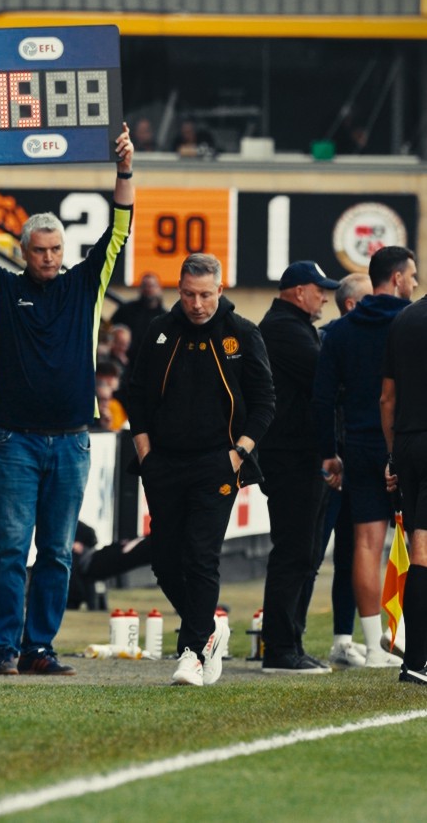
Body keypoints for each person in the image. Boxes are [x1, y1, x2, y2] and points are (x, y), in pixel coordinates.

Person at [0, 124, 134, 676]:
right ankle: (4, 648)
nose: (50, 257)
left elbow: (120, 228)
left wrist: (125, 169)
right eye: (40, 250)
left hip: (74, 441)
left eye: (57, 249)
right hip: (13, 440)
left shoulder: (88, 283)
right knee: (10, 550)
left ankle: (40, 649)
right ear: (24, 252)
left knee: (57, 552)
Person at [127, 253, 275, 686]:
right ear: (179, 289)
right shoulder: (159, 330)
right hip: (163, 463)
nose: (197, 304)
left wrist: (239, 453)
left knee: (201, 554)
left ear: (220, 291)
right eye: (189, 295)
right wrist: (146, 452)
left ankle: (191, 651)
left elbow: (265, 402)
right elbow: (136, 396)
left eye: (206, 295)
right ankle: (209, 626)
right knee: (165, 560)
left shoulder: (242, 333)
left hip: (218, 463)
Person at [313, 247, 417, 670]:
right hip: (408, 441)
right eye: (411, 276)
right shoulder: (413, 323)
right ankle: (413, 640)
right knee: (421, 540)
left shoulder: (339, 331)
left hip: (358, 444)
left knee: (366, 543)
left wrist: (329, 454)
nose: (414, 283)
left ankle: (374, 646)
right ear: (395, 278)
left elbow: (321, 400)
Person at [258, 260, 340, 674]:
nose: (324, 296)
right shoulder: (283, 330)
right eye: (318, 289)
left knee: (304, 553)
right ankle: (279, 649)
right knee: (294, 551)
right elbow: (327, 377)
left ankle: (291, 641)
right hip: (290, 457)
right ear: (296, 291)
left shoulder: (293, 327)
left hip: (300, 454)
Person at [311, 272, 372, 669]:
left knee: (351, 552)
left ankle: (342, 638)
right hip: (332, 463)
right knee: (311, 551)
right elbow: (323, 403)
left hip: (355, 460)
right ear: (352, 305)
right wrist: (330, 453)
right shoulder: (328, 341)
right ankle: (284, 636)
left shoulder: (357, 340)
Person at [381, 290, 427, 684]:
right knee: (424, 554)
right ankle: (417, 663)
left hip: (409, 444)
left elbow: (387, 398)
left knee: (419, 552)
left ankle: (415, 660)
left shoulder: (404, 320)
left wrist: (393, 456)